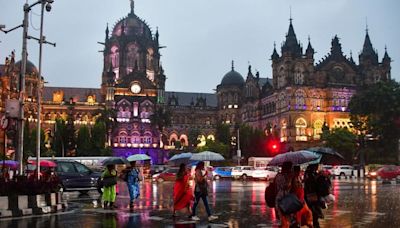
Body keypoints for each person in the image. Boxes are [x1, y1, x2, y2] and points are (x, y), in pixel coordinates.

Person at [275, 161, 294, 228]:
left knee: (284, 219)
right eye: (291, 168)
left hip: (280, 198)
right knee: (286, 219)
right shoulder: (284, 176)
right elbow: (286, 186)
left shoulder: (278, 175)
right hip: (285, 199)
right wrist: (290, 179)